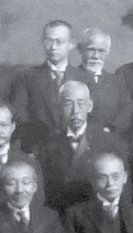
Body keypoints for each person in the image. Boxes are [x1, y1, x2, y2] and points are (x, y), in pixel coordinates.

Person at [37, 81, 128, 211]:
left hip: (97, 218)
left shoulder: (110, 142)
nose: (75, 111)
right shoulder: (48, 146)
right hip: (61, 217)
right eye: (69, 104)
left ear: (90, 106)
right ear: (59, 108)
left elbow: (124, 192)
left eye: (81, 104)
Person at [10, 20, 89, 151]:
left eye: (59, 42)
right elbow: (20, 117)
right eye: (49, 41)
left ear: (71, 44)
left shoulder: (85, 78)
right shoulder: (27, 78)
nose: (53, 47)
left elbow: (90, 117)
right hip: (38, 149)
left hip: (75, 149)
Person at [78, 27, 133, 136]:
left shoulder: (116, 82)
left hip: (109, 139)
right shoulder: (71, 77)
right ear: (81, 49)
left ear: (107, 52)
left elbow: (127, 110)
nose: (96, 56)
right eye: (91, 49)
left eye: (101, 51)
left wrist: (110, 129)